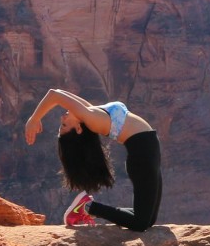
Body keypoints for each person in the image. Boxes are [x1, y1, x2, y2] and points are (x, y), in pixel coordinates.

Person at [24, 88, 162, 231]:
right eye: (64, 125)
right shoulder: (90, 118)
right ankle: (88, 207)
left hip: (149, 151)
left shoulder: (89, 112)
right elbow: (55, 95)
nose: (62, 118)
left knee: (148, 219)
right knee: (140, 223)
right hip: (142, 155)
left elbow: (58, 92)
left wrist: (36, 118)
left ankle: (89, 208)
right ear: (78, 129)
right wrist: (33, 119)